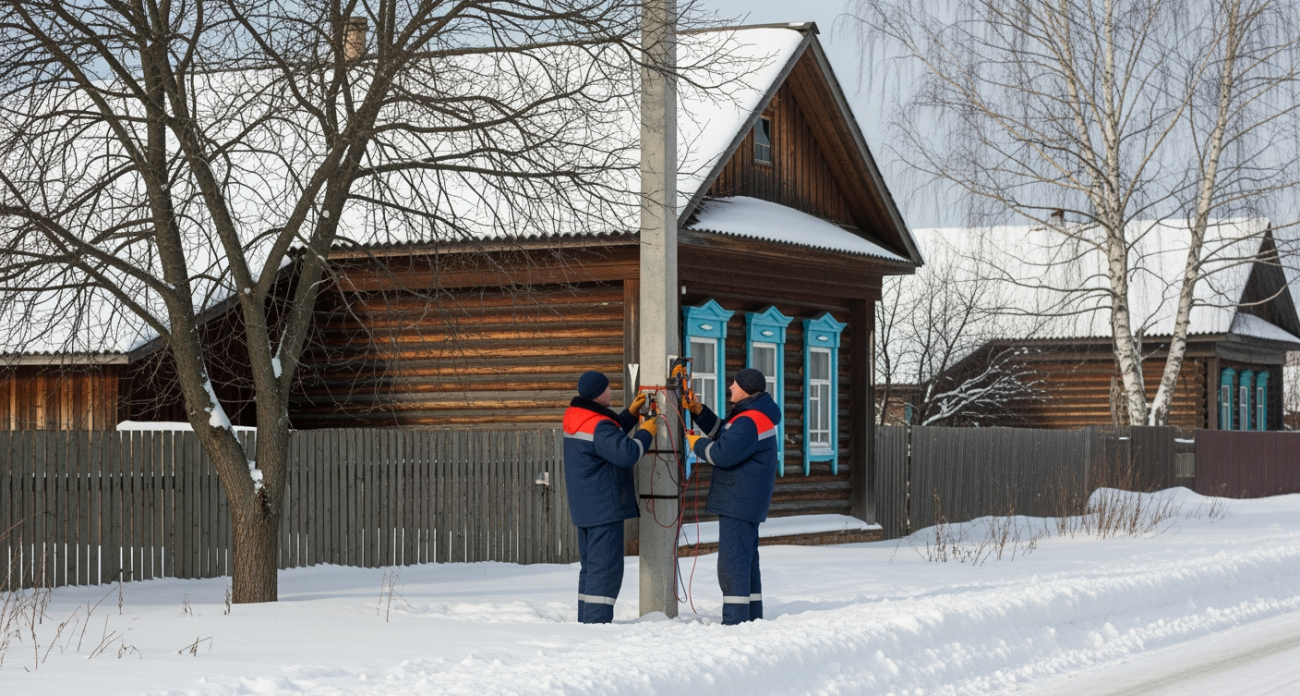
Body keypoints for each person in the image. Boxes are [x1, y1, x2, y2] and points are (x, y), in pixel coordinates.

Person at [684, 367, 781, 625]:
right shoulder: (751, 416)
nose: (730, 388)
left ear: (746, 390)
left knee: (733, 564)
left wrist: (696, 444)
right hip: (746, 502)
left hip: (739, 501)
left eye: (735, 384)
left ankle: (735, 623)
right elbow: (724, 434)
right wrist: (699, 411)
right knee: (746, 562)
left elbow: (722, 453)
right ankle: (750, 618)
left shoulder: (750, 420)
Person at [562, 370, 656, 623]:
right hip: (605, 506)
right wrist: (646, 431)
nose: (611, 391)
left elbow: (607, 438)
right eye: (607, 388)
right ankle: (597, 625)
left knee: (591, 568)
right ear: (597, 394)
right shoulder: (599, 425)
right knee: (605, 570)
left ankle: (587, 621)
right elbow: (627, 454)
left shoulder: (578, 416)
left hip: (586, 506)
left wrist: (630, 415)